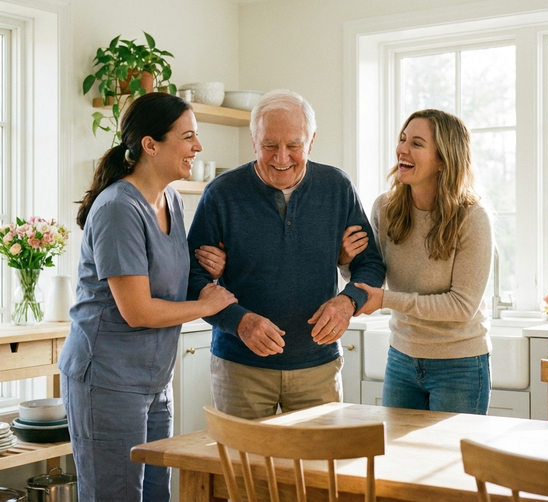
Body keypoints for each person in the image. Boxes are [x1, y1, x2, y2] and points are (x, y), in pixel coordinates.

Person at [58, 92, 237, 502]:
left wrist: (212, 267)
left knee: (156, 493)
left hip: (154, 380)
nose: (198, 147)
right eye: (188, 136)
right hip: (106, 381)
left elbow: (170, 276)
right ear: (150, 145)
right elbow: (137, 310)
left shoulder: (171, 199)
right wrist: (207, 306)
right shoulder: (118, 208)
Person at [186, 89, 386, 420]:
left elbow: (370, 264)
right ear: (253, 141)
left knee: (319, 470)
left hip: (317, 367)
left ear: (311, 141)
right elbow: (192, 279)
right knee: (243, 470)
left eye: (294, 145)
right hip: (240, 367)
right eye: (269, 146)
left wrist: (347, 302)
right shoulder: (221, 193)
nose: (281, 158)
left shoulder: (337, 187)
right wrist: (240, 322)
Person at [348, 109, 494, 414]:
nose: (402, 149)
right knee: (398, 459)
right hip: (401, 358)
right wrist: (345, 259)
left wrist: (387, 300)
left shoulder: (472, 218)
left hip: (460, 364)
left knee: (449, 460)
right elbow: (372, 275)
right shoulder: (385, 208)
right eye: (402, 139)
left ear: (443, 160)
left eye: (416, 143)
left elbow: (462, 306)